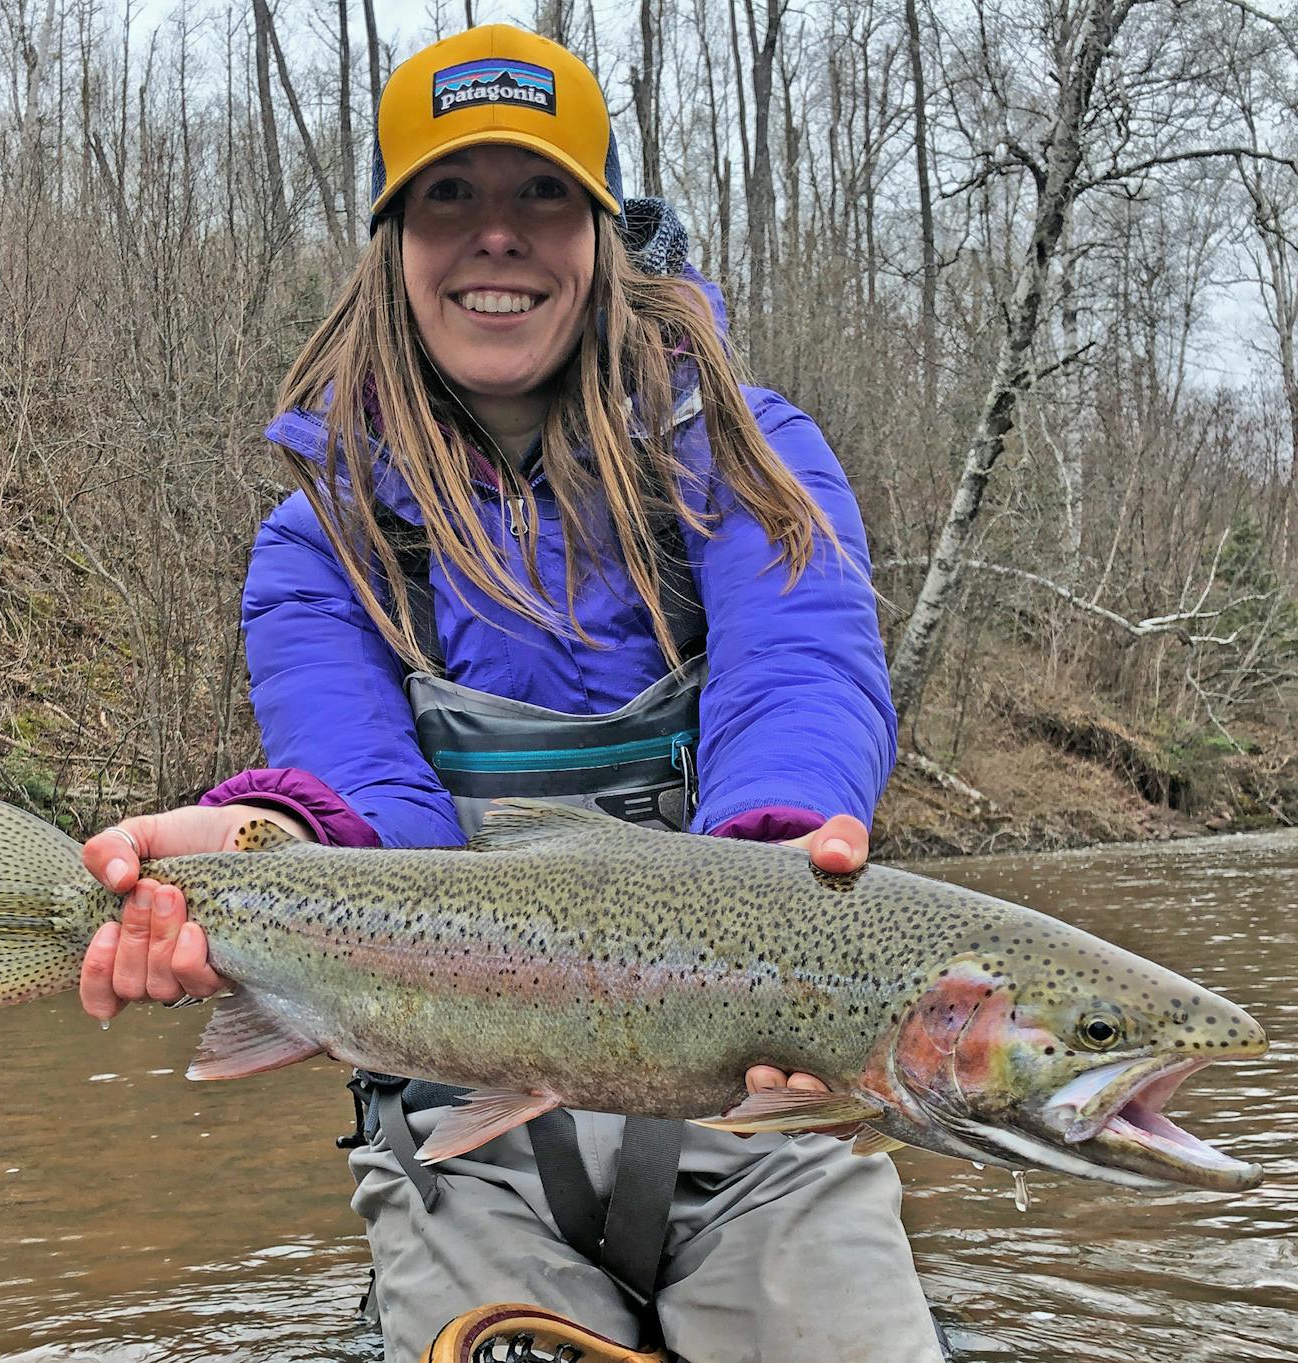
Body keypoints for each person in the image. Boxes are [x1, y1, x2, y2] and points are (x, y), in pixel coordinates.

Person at [76, 24, 945, 1363]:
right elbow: (374, 813)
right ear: (394, 248)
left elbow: (801, 678)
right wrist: (261, 852)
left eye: (542, 193)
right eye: (450, 198)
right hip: (464, 1137)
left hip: (763, 1109)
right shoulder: (323, 533)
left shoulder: (749, 454)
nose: (499, 236)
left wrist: (780, 902)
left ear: (604, 230)